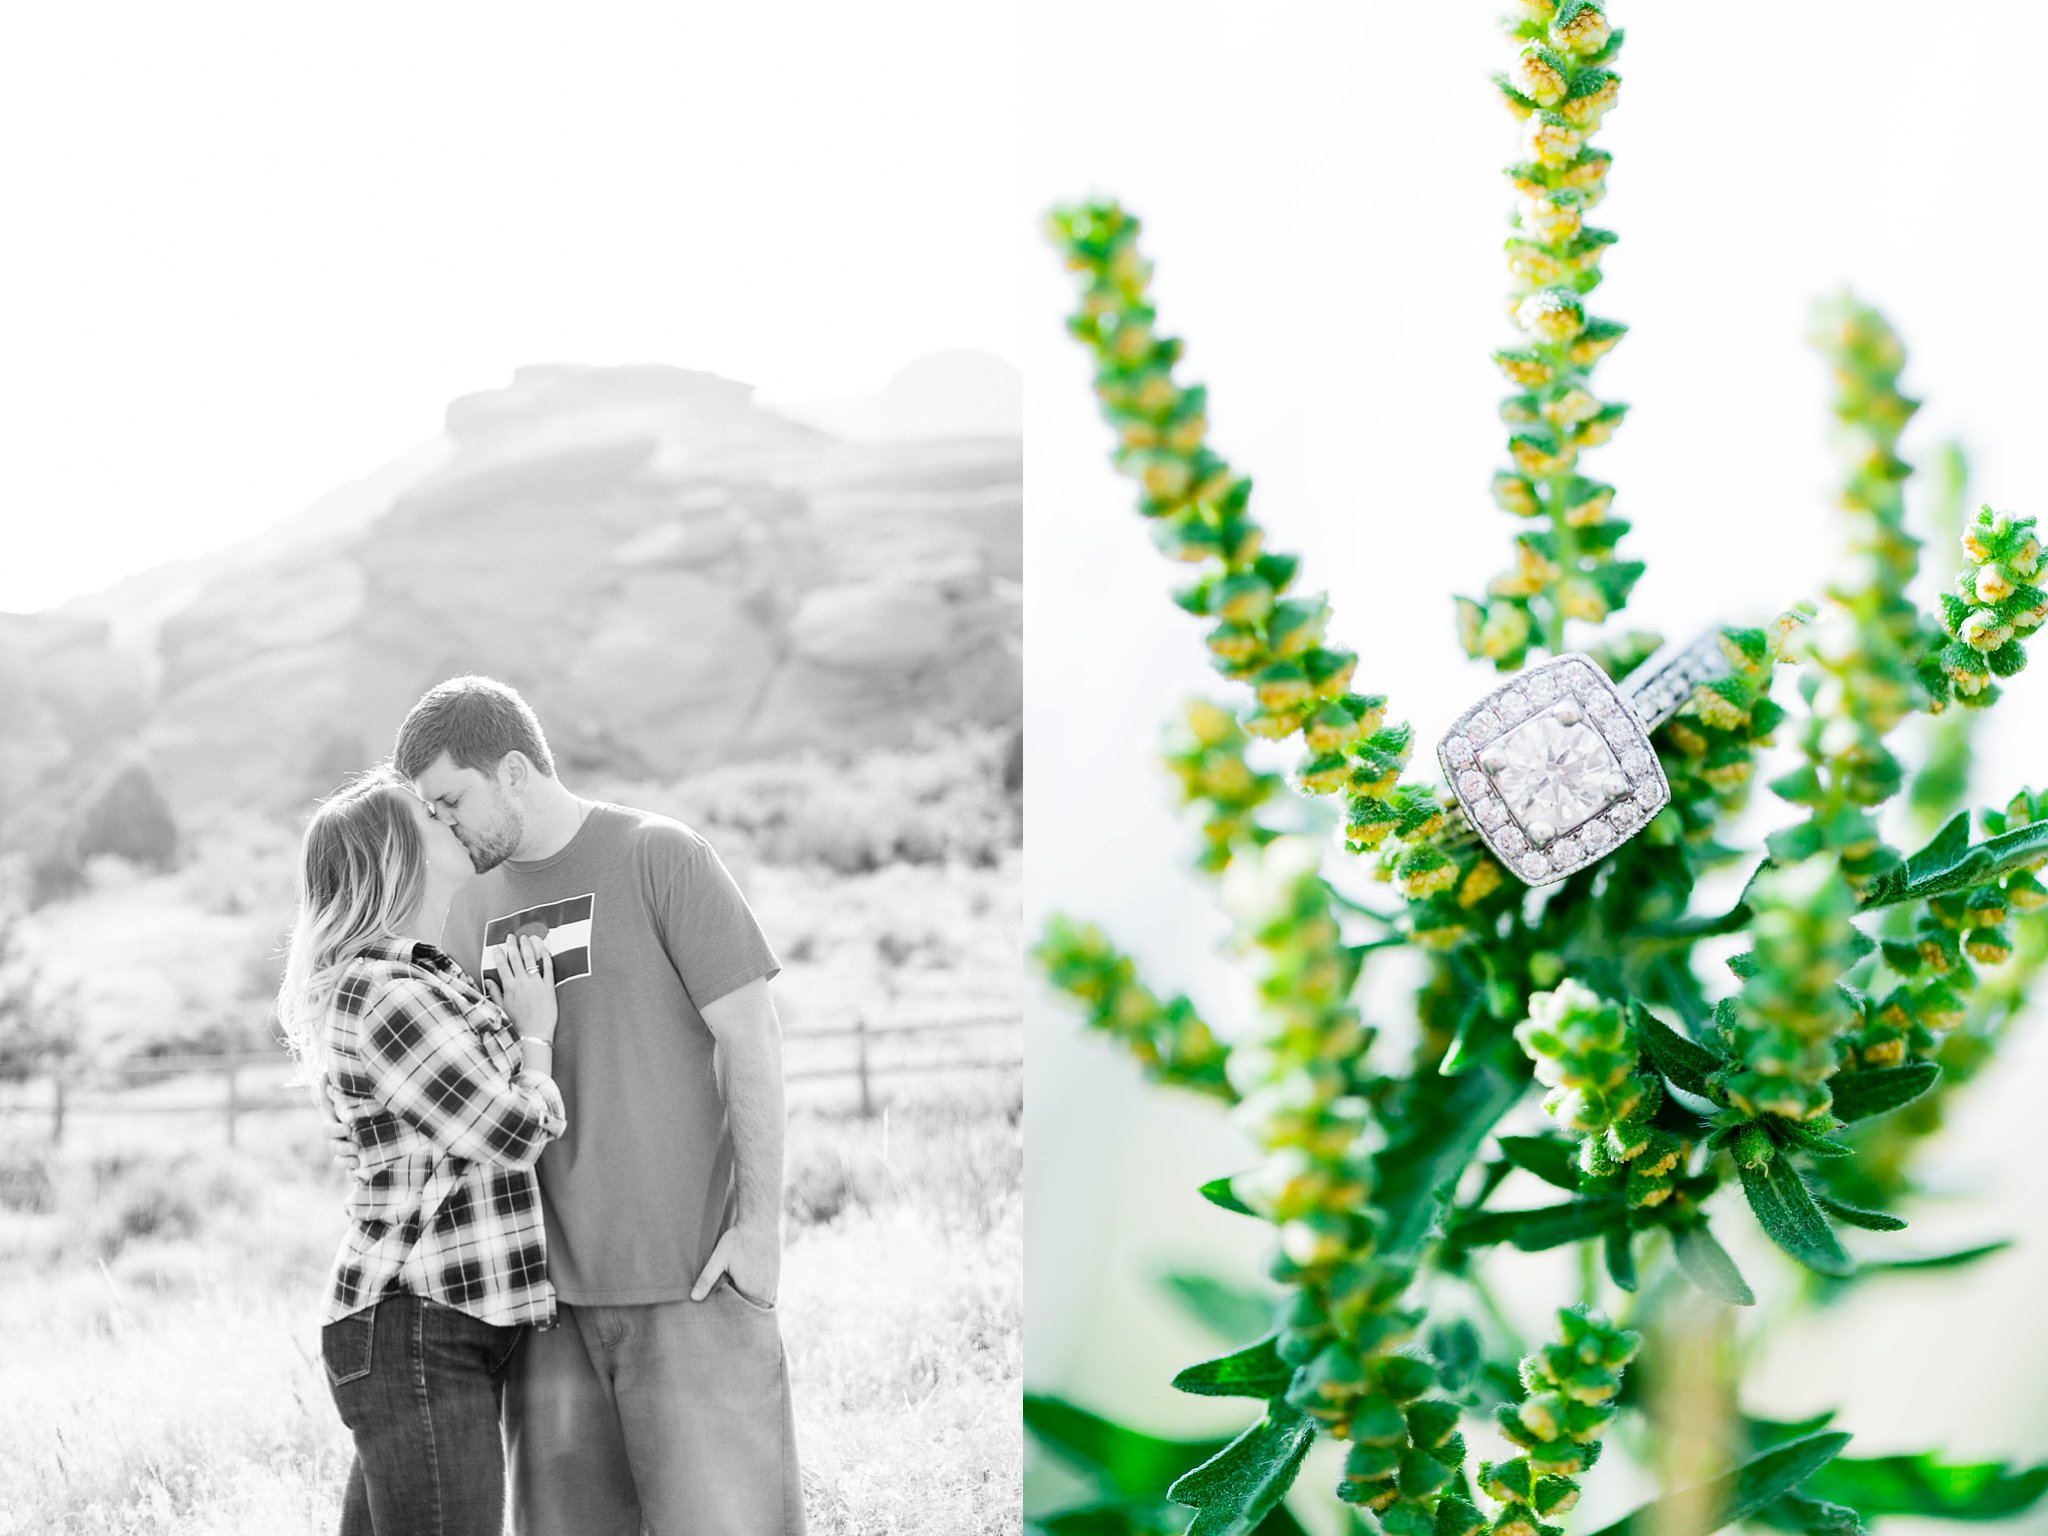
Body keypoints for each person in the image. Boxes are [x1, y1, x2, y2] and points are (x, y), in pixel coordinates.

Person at [392, 674, 805, 1536]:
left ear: (511, 769)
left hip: (691, 1286)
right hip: (546, 1315)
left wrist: (761, 1229)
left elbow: (753, 1040)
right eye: (429, 813)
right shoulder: (463, 912)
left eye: (450, 800)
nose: (445, 826)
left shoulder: (660, 856)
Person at [278, 767, 569, 1536]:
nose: (450, 820)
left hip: (424, 1325)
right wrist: (535, 1034)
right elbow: (510, 1132)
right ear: (396, 857)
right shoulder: (385, 993)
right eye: (431, 817)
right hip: (418, 1327)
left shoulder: (417, 981)